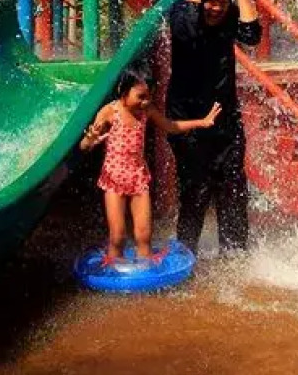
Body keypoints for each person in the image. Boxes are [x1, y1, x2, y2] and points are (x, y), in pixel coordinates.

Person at [162, 0, 262, 253]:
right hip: (188, 119)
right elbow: (188, 32)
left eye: (221, 2)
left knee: (233, 186)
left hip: (225, 119)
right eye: (210, 1)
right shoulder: (182, 12)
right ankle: (186, 254)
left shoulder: (230, 16)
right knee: (197, 187)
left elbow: (252, 34)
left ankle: (234, 253)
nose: (215, 8)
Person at [80, 75, 222, 267]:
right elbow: (84, 147)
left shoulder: (146, 110)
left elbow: (170, 126)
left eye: (148, 96)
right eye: (140, 96)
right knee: (118, 235)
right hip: (114, 178)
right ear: (123, 94)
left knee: (144, 234)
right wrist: (90, 138)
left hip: (138, 177)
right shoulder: (109, 112)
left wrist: (201, 122)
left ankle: (145, 271)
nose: (145, 101)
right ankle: (116, 275)